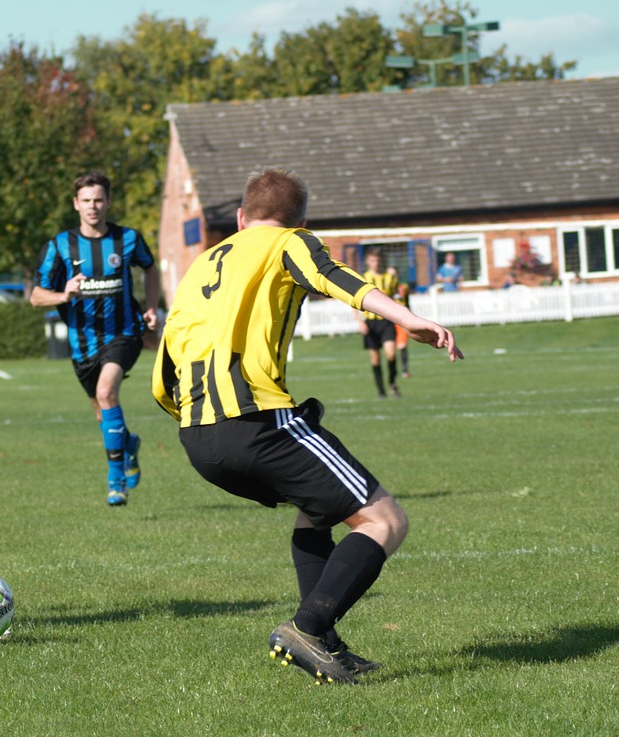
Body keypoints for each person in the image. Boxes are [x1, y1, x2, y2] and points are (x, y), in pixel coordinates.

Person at [151, 168, 462, 684]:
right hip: (255, 421)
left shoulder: (202, 262)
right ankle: (308, 626)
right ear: (301, 220)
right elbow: (337, 278)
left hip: (196, 434)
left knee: (316, 511)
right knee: (386, 520)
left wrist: (195, 420)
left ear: (240, 217)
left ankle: (328, 644)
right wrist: (407, 319)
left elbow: (167, 363)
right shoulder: (289, 242)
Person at [31, 171, 161, 507]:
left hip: (124, 332)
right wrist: (64, 294)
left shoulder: (128, 239)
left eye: (99, 200)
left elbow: (150, 268)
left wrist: (150, 308)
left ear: (108, 202)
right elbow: (35, 296)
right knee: (103, 411)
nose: (93, 207)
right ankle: (129, 444)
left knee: (106, 392)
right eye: (86, 201)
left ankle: (115, 481)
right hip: (82, 344)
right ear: (76, 204)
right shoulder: (60, 246)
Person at [356, 249, 401, 398]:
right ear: (368, 262)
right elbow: (353, 301)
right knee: (375, 359)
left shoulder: (390, 278)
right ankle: (381, 391)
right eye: (373, 261)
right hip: (370, 323)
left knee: (391, 354)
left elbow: (396, 297)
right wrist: (360, 322)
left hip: (387, 322)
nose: (376, 263)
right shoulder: (363, 278)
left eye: (378, 260)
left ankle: (392, 383)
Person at [389, 266, 412, 378]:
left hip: (401, 319)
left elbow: (407, 302)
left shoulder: (404, 286)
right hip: (389, 319)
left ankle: (404, 370)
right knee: (390, 347)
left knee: (402, 346)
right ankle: (393, 372)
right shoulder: (384, 287)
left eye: (393, 275)